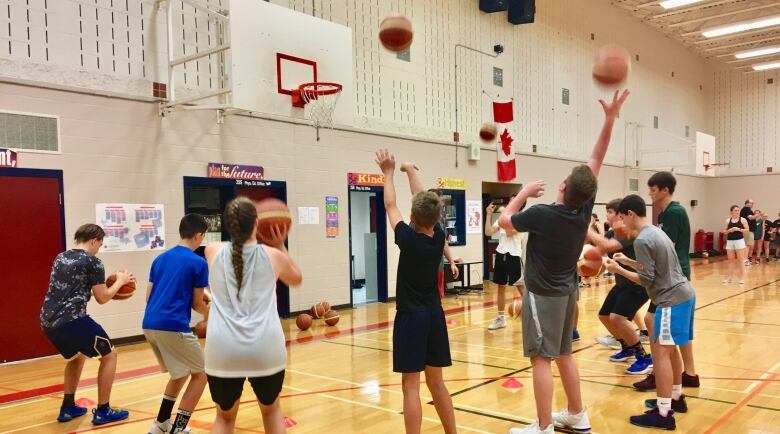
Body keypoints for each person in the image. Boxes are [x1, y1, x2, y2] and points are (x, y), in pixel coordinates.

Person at [500, 89, 630, 434]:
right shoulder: (583, 209)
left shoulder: (542, 213)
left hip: (543, 296)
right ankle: (576, 413)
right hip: (567, 292)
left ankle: (543, 427)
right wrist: (609, 119)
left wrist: (523, 193)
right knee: (564, 355)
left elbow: (504, 221)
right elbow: (597, 158)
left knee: (540, 359)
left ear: (562, 185)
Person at [203, 197, 302, 434]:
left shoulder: (212, 250)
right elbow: (296, 278)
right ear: (256, 224)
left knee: (224, 419)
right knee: (272, 410)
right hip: (264, 347)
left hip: (222, 349)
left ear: (228, 224)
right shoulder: (273, 256)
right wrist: (280, 245)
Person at [376, 149, 457, 434]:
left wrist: (388, 172)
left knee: (411, 387)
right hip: (435, 315)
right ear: (437, 218)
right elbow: (426, 202)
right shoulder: (439, 237)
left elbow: (389, 204)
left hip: (411, 317)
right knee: (437, 383)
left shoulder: (407, 238)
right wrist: (409, 170)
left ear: (412, 216)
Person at [605, 194, 695, 430]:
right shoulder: (655, 231)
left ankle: (664, 414)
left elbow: (645, 280)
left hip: (670, 300)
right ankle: (675, 398)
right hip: (684, 295)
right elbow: (655, 269)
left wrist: (618, 269)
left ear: (630, 214)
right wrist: (627, 261)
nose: (622, 222)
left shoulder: (642, 240)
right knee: (670, 350)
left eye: (622, 217)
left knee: (661, 355)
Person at [39, 224, 134, 425]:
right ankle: (103, 410)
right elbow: (103, 297)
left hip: (48, 321)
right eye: (100, 243)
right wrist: (120, 281)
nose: (99, 248)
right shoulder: (93, 261)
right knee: (110, 355)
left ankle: (67, 407)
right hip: (72, 320)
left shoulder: (61, 257)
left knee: (77, 357)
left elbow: (70, 291)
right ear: (93, 240)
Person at [144, 214, 211, 434]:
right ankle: (178, 429)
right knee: (201, 375)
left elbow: (148, 297)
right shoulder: (198, 262)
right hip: (173, 324)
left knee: (180, 373)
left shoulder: (160, 259)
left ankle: (161, 423)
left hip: (149, 323)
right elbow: (196, 304)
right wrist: (212, 312)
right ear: (200, 235)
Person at [633, 171, 699, 392]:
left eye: (653, 189)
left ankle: (660, 372)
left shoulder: (673, 213)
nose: (650, 194)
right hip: (674, 275)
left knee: (652, 321)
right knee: (671, 329)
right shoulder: (665, 213)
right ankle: (689, 373)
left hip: (671, 278)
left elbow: (663, 247)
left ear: (665, 190)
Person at [588, 199, 651, 375]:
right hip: (622, 283)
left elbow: (607, 246)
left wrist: (584, 227)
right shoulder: (610, 233)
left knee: (618, 318)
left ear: (619, 215)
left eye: (609, 212)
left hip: (637, 284)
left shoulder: (628, 233)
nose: (606, 215)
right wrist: (590, 267)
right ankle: (627, 347)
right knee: (604, 316)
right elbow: (601, 252)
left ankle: (644, 357)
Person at [485, 199, 525, 330]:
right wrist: (489, 215)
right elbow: (489, 232)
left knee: (521, 288)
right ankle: (501, 318)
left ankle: (532, 316)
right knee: (500, 287)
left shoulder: (521, 219)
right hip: (501, 254)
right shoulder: (503, 219)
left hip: (514, 256)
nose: (510, 203)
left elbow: (509, 232)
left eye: (514, 201)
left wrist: (503, 214)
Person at [723, 205, 749, 285]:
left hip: (739, 241)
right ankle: (729, 278)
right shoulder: (728, 220)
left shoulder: (743, 220)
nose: (737, 212)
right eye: (735, 210)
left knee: (741, 260)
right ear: (731, 211)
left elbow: (747, 230)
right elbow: (724, 231)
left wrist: (739, 229)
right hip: (730, 241)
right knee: (730, 260)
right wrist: (729, 230)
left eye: (738, 210)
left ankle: (741, 278)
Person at [740, 199, 757, 264]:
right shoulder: (746, 209)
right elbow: (751, 218)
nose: (752, 204)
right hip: (748, 230)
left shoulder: (747, 210)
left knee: (748, 245)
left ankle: (745, 259)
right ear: (747, 203)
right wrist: (759, 214)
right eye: (752, 203)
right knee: (747, 245)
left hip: (749, 230)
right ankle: (745, 260)